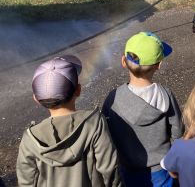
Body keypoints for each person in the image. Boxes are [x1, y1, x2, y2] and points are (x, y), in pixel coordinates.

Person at [16, 55, 122, 187]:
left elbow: (26, 182)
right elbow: (110, 170)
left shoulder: (30, 139)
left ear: (36, 99)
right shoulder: (94, 124)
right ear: (78, 90)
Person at [102, 32, 184, 187]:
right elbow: (178, 131)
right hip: (162, 169)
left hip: (128, 169)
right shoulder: (166, 95)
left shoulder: (113, 98)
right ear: (159, 65)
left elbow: (107, 134)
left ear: (123, 61)